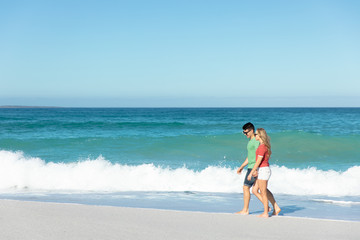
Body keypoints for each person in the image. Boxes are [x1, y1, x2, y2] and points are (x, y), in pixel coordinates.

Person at [248, 128, 281, 217]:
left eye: (256, 134)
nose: (255, 136)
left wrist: (252, 172)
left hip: (264, 170)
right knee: (255, 190)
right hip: (263, 169)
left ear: (260, 136)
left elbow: (258, 161)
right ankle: (276, 207)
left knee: (263, 191)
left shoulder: (262, 147)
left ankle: (266, 212)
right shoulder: (262, 146)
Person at [236, 122, 260, 215]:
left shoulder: (256, 141)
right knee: (258, 190)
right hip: (251, 167)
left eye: (246, 132)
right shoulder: (250, 141)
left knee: (246, 187)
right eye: (244, 133)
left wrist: (256, 169)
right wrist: (241, 167)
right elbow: (250, 157)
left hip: (253, 168)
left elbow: (259, 156)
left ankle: (245, 210)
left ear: (252, 130)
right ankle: (272, 207)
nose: (245, 134)